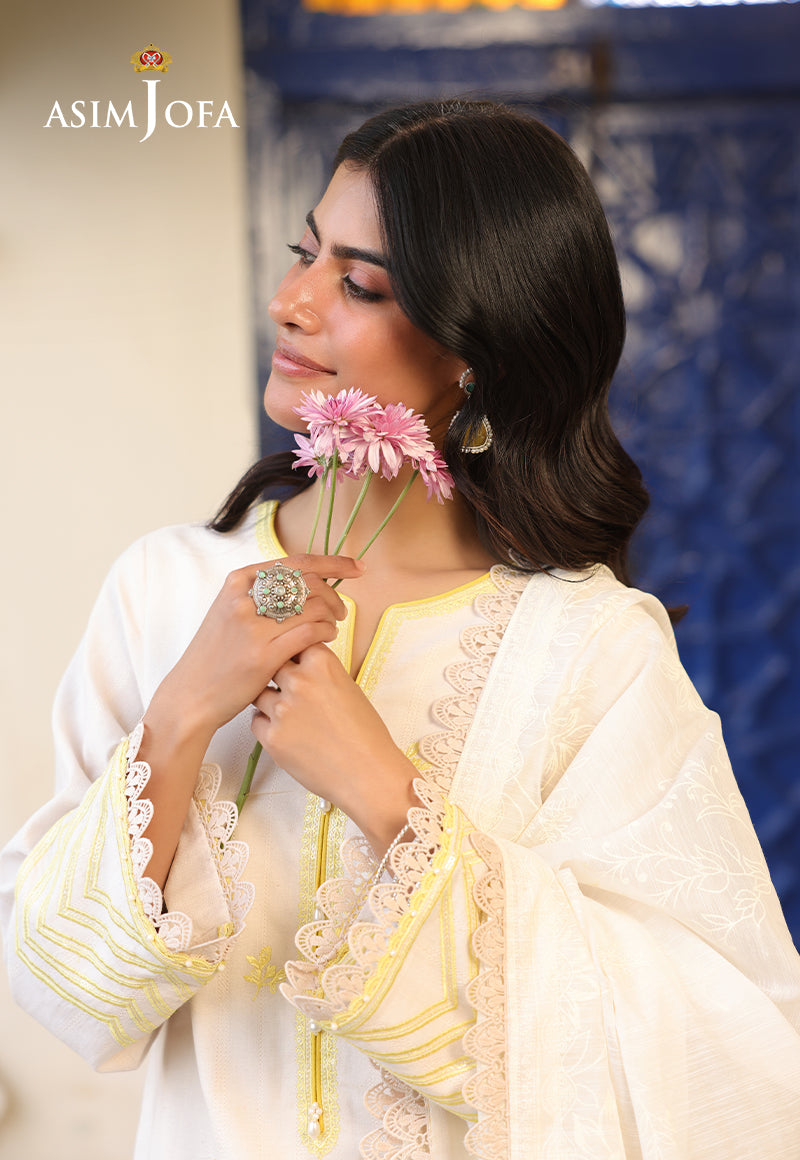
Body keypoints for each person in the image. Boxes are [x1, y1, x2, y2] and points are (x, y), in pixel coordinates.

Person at [2, 99, 799, 1160]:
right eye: (305, 254)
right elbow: (60, 986)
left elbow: (725, 1049)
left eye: (359, 284)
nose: (289, 302)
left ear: (476, 345)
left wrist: (387, 795)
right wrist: (184, 711)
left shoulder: (588, 644)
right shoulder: (165, 587)